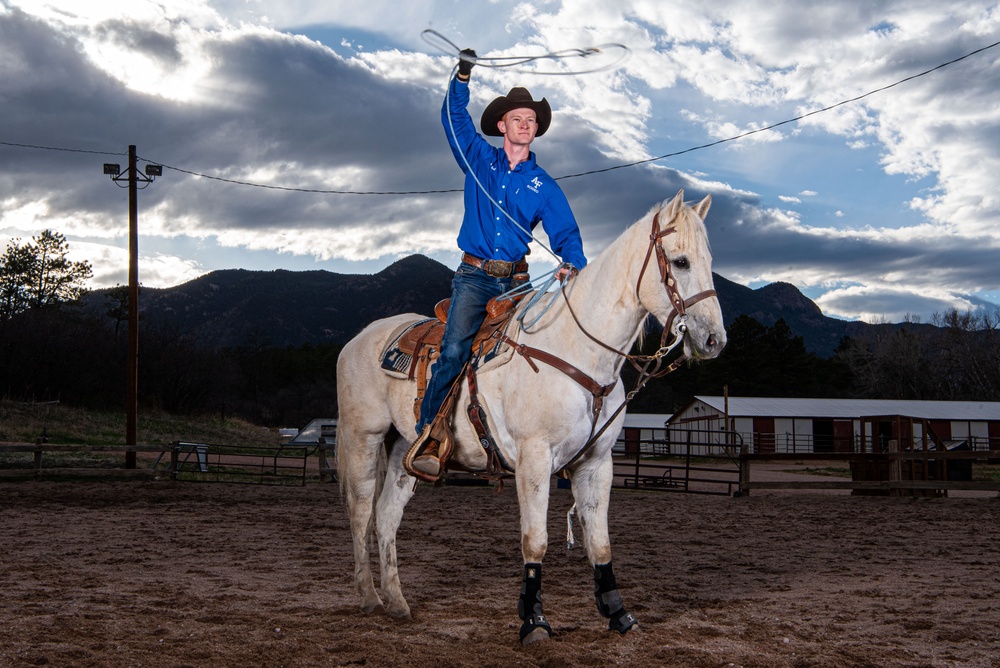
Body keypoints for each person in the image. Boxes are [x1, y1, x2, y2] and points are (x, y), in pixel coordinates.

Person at [406, 48, 588, 479]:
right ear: (502, 125)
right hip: (474, 278)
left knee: (545, 350)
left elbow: (566, 233)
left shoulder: (544, 184)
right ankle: (429, 434)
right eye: (517, 119)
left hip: (520, 283)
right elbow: (454, 118)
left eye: (531, 121)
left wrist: (572, 262)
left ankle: (549, 437)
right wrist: (463, 76)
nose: (525, 125)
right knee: (453, 349)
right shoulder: (479, 159)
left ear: (536, 129)